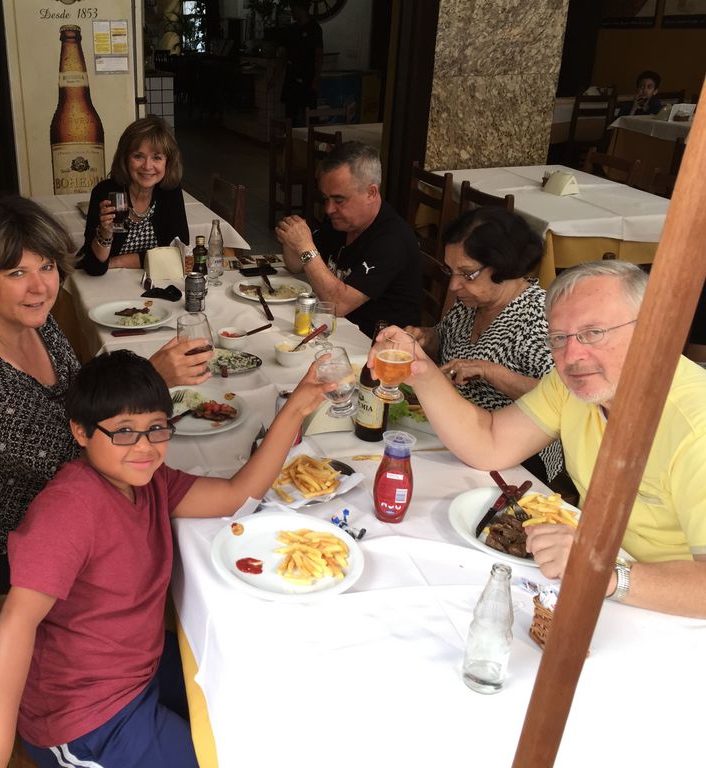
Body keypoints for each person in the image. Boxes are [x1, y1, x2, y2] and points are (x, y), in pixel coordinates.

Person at [0, 350, 333, 768]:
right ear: (81, 432)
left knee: (253, 706)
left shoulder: (151, 482)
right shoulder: (68, 510)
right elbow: (17, 620)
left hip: (140, 668)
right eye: (123, 431)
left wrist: (297, 408)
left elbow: (235, 496)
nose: (144, 448)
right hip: (84, 717)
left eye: (156, 429)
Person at [371, 260, 706, 618]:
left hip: (672, 618)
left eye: (594, 332)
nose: (572, 356)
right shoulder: (573, 387)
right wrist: (420, 370)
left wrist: (604, 574)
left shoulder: (695, 423)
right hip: (593, 586)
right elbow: (489, 442)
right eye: (559, 338)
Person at [0, 197, 212, 592]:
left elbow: (80, 392)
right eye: (16, 272)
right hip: (14, 538)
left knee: (195, 501)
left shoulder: (27, 320)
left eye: (46, 266)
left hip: (60, 499)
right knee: (188, 535)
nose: (41, 286)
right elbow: (76, 454)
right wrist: (152, 379)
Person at [404, 207, 563, 483]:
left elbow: (562, 399)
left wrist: (492, 372)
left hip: (515, 456)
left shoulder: (540, 317)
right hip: (454, 431)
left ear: (504, 267)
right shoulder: (472, 302)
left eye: (467, 273)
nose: (453, 285)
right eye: (450, 271)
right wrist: (427, 338)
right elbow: (446, 340)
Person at [275, 141, 422, 339]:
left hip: (378, 348)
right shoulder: (343, 222)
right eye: (326, 198)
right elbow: (295, 265)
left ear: (371, 193)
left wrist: (304, 246)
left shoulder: (393, 240)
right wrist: (291, 238)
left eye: (339, 200)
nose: (329, 209)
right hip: (337, 331)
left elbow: (338, 305)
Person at [78, 116, 189, 275]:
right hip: (107, 286)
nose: (147, 166)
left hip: (153, 284)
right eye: (138, 156)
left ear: (168, 162)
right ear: (125, 158)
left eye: (157, 157)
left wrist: (117, 261)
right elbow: (94, 267)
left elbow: (177, 253)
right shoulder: (106, 192)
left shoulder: (169, 192)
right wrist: (105, 232)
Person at [279, 0, 324, 127]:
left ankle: (310, 142)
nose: (291, 11)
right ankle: (289, 142)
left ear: (300, 8)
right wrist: (275, 76)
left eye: (293, 8)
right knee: (290, 113)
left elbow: (319, 56)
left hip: (307, 76)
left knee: (309, 113)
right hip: (292, 75)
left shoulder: (314, 28)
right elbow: (283, 55)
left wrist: (316, 79)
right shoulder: (291, 29)